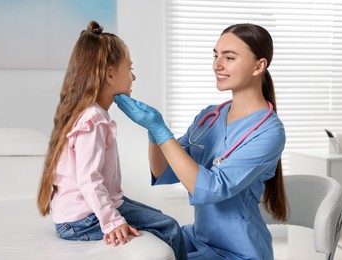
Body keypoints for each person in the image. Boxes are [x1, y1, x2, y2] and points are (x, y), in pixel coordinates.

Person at [114, 23, 288, 259]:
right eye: (216, 55)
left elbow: (211, 188)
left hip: (238, 252)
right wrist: (153, 131)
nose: (217, 65)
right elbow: (165, 170)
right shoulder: (210, 116)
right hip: (199, 237)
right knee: (138, 245)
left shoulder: (269, 132)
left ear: (259, 66)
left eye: (229, 57)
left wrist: (159, 128)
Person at [37, 20, 187, 259]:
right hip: (82, 221)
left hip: (77, 216)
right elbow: (89, 179)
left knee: (158, 216)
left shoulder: (87, 112)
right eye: (130, 69)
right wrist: (111, 222)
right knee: (169, 227)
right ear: (109, 74)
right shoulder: (93, 118)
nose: (134, 77)